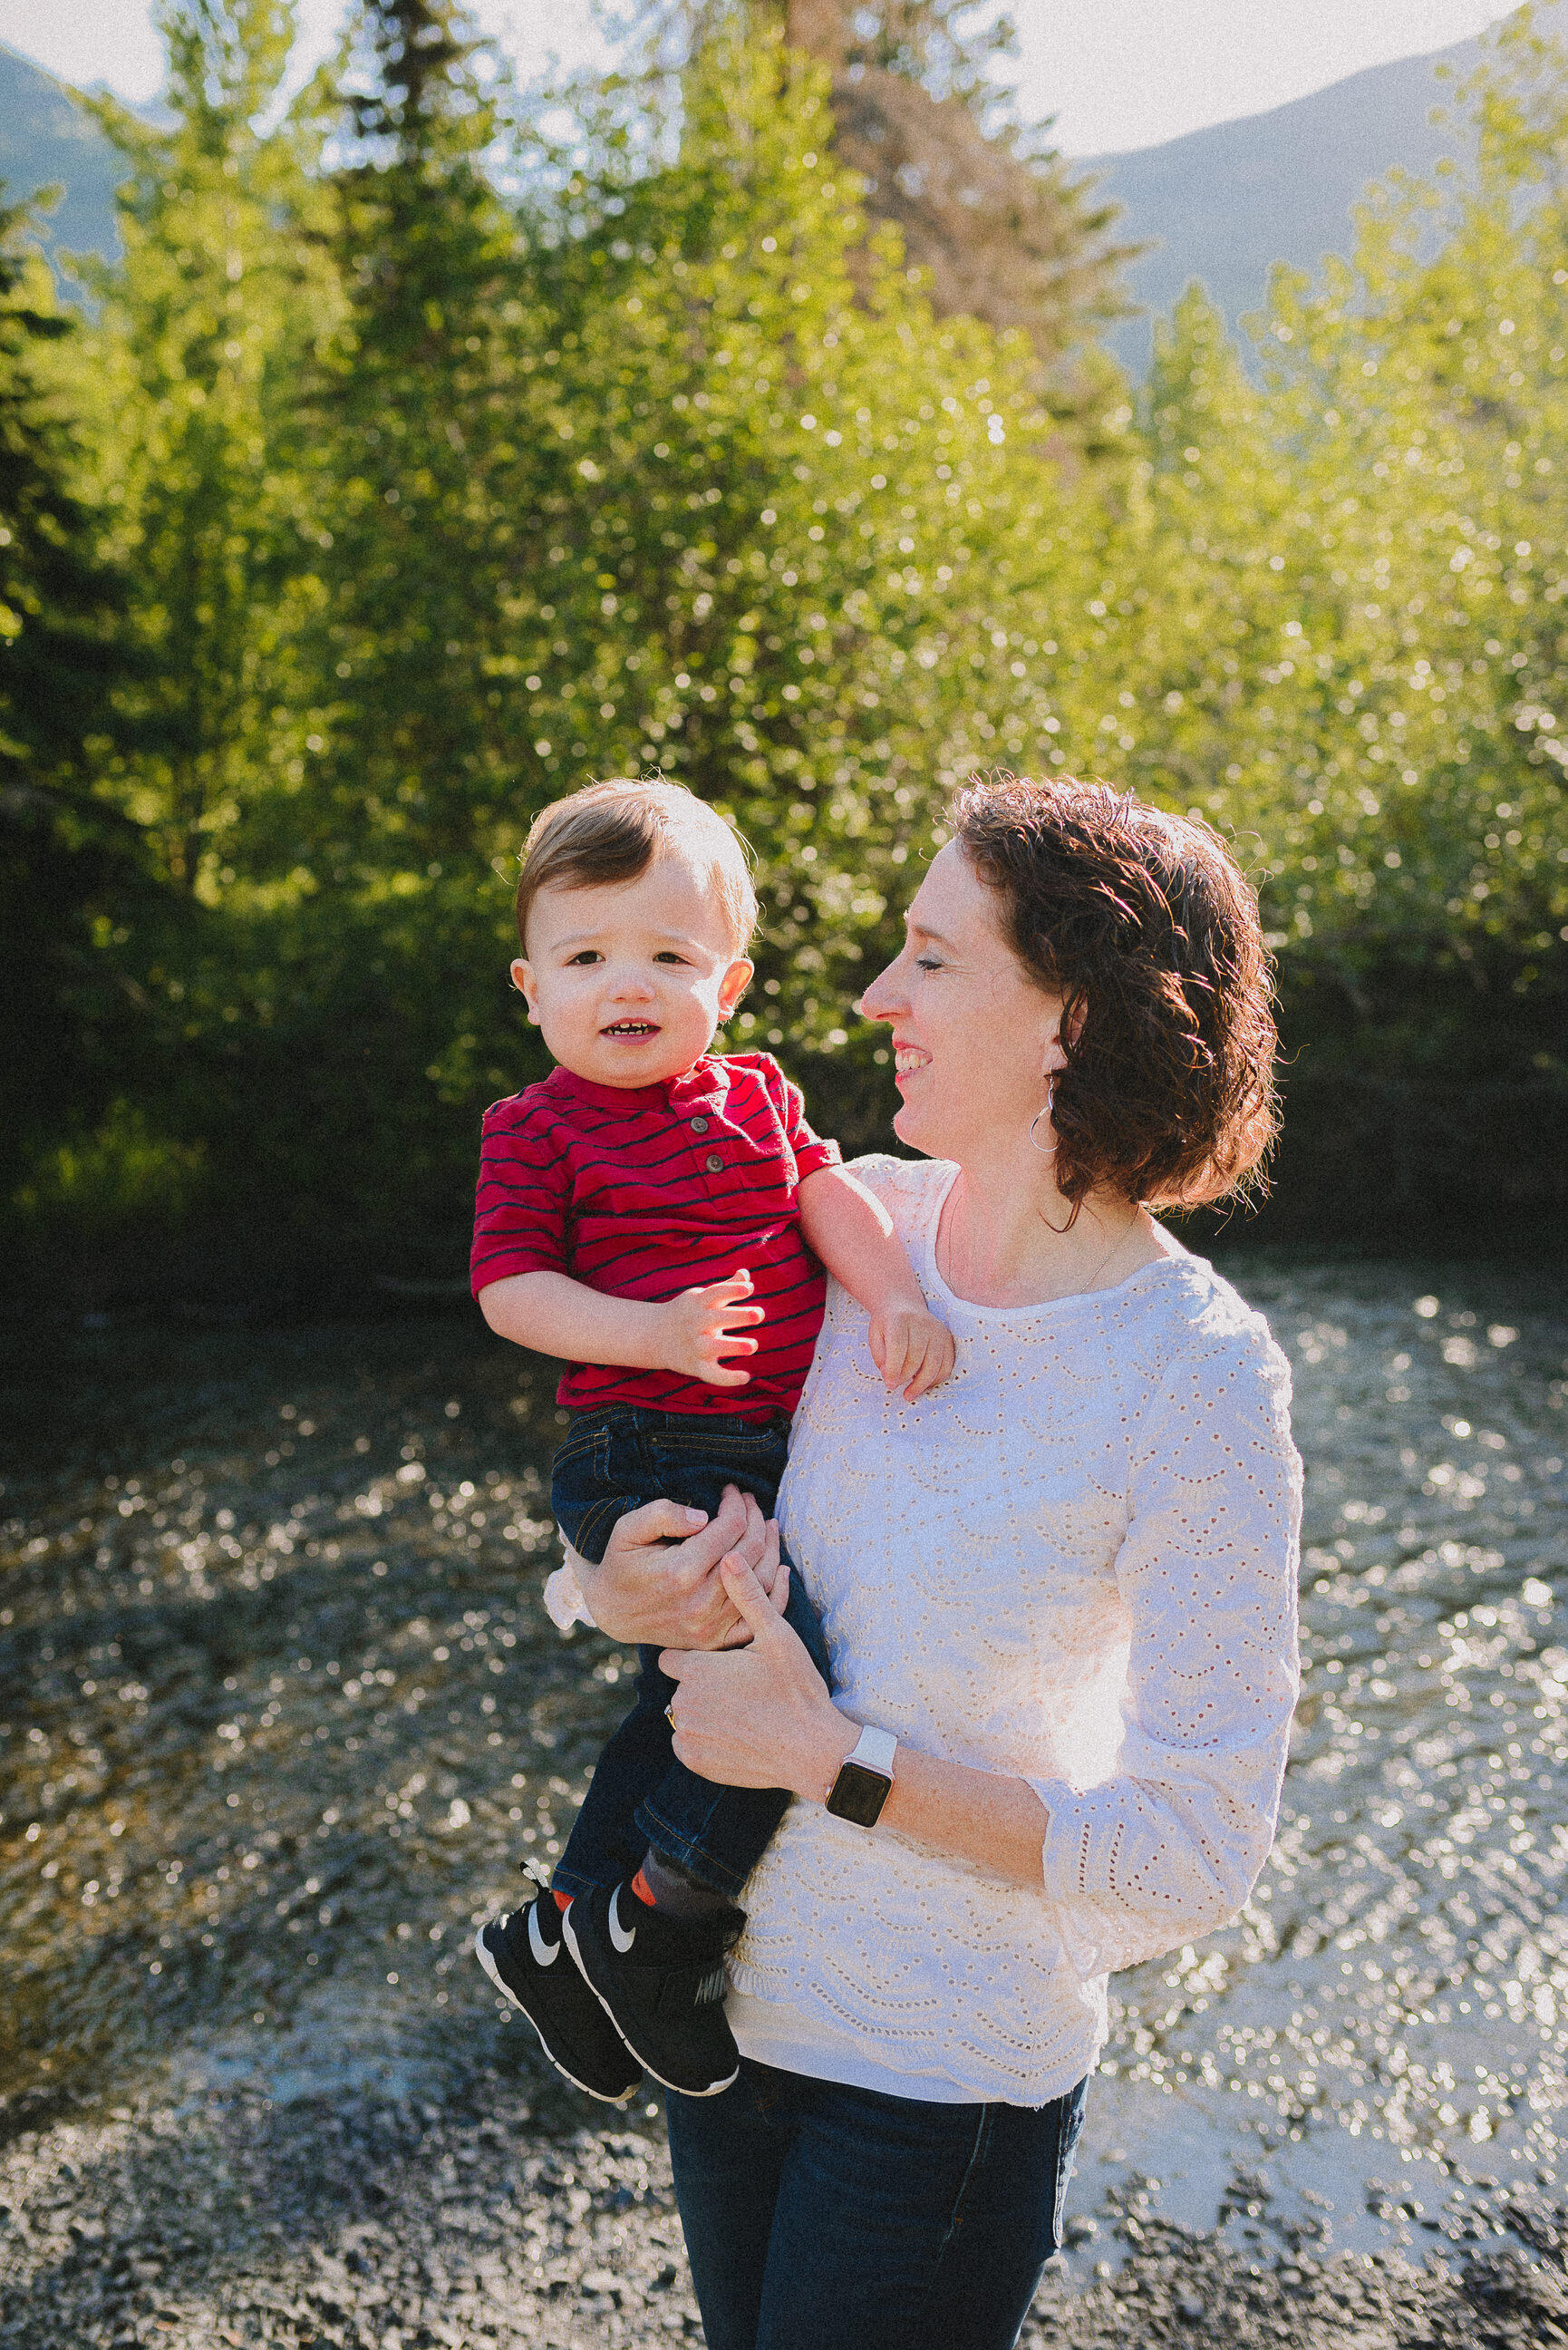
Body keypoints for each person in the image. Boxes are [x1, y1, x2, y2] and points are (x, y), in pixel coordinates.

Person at [546, 775, 1303, 2350]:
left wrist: (835, 1764)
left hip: (942, 2092)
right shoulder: (839, 1231)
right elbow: (641, 1479)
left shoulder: (1195, 1376)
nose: (876, 994)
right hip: (728, 2027)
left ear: (1069, 1021)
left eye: (932, 959)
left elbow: (1190, 1853)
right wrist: (599, 1590)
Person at [468, 779, 954, 2102]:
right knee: (764, 1664)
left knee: (670, 1694)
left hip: (750, 1449)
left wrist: (897, 1295)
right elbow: (512, 1294)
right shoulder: (534, 1131)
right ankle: (665, 1917)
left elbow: (830, 1200)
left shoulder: (757, 1096)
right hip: (634, 1444)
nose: (627, 984)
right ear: (530, 986)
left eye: (668, 957)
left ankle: (563, 1928)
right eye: (586, 958)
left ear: (727, 986)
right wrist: (655, 1332)